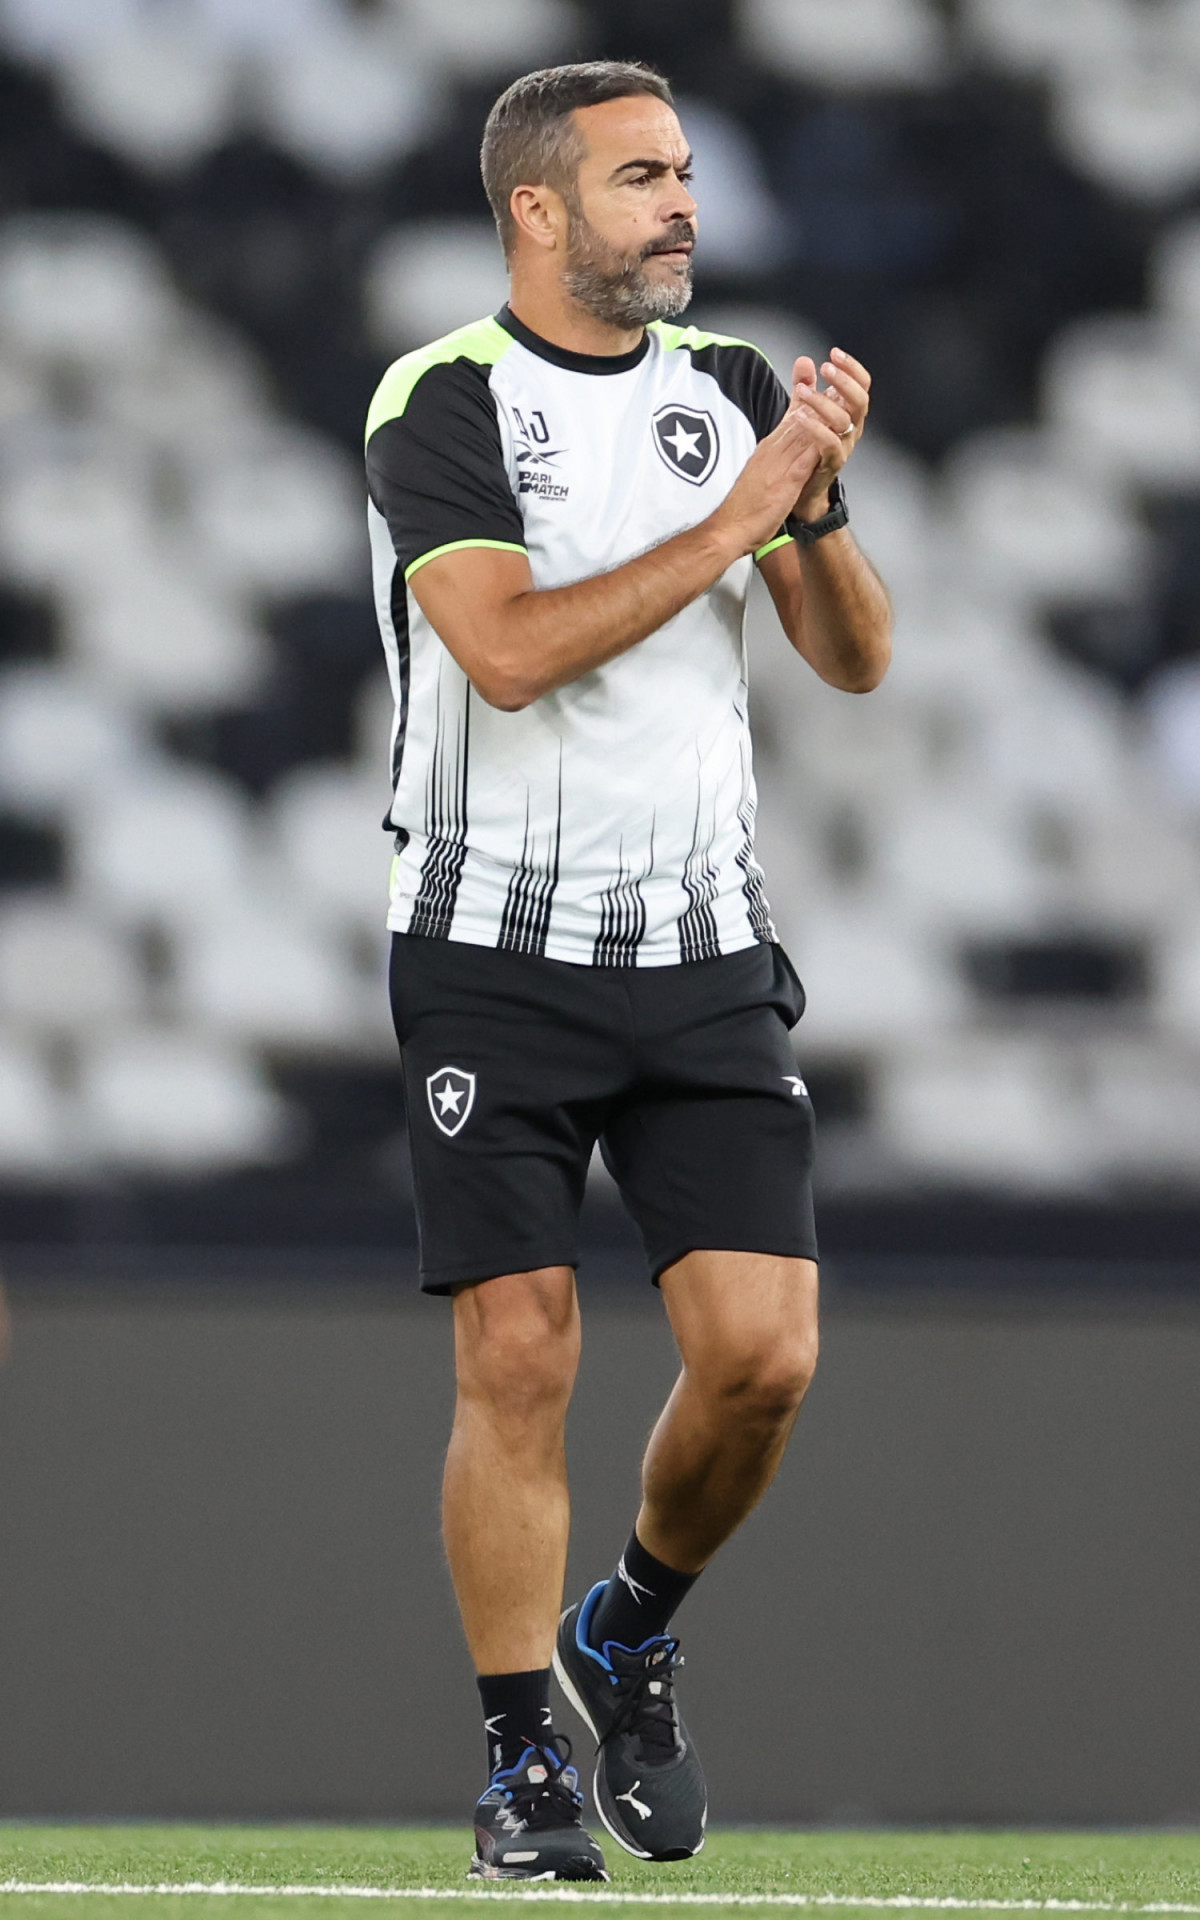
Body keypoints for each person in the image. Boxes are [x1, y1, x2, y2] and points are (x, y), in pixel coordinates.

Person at [365, 59, 891, 1882]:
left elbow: (855, 659)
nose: (682, 204)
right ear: (537, 209)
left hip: (702, 950)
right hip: (492, 952)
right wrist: (736, 518)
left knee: (762, 1359)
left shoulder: (734, 391)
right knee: (521, 1351)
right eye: (640, 176)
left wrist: (811, 502)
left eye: (682, 174)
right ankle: (520, 1758)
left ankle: (631, 1625)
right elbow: (505, 653)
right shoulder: (442, 400)